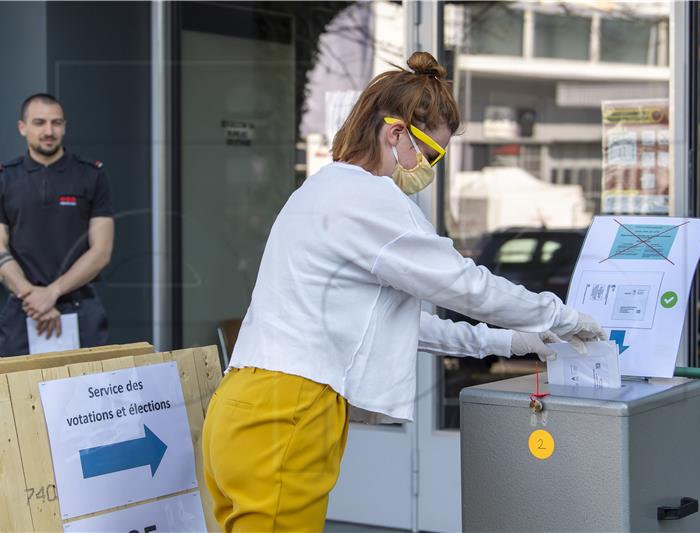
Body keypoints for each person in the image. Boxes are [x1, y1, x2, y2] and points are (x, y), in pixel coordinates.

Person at [202, 52, 605, 532]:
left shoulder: (320, 189)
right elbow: (464, 284)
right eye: (430, 153)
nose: (427, 169)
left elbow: (396, 324)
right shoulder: (369, 198)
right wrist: (558, 317)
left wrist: (509, 343)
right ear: (395, 133)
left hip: (242, 407)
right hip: (289, 410)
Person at [0, 93, 114, 356]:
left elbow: (101, 251)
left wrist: (51, 293)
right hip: (23, 309)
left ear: (64, 126)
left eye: (56, 123)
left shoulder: (91, 175)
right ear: (23, 127)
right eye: (39, 122)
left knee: (87, 394)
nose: (49, 131)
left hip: (82, 308)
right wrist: (33, 296)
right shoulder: (4, 178)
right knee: (19, 395)